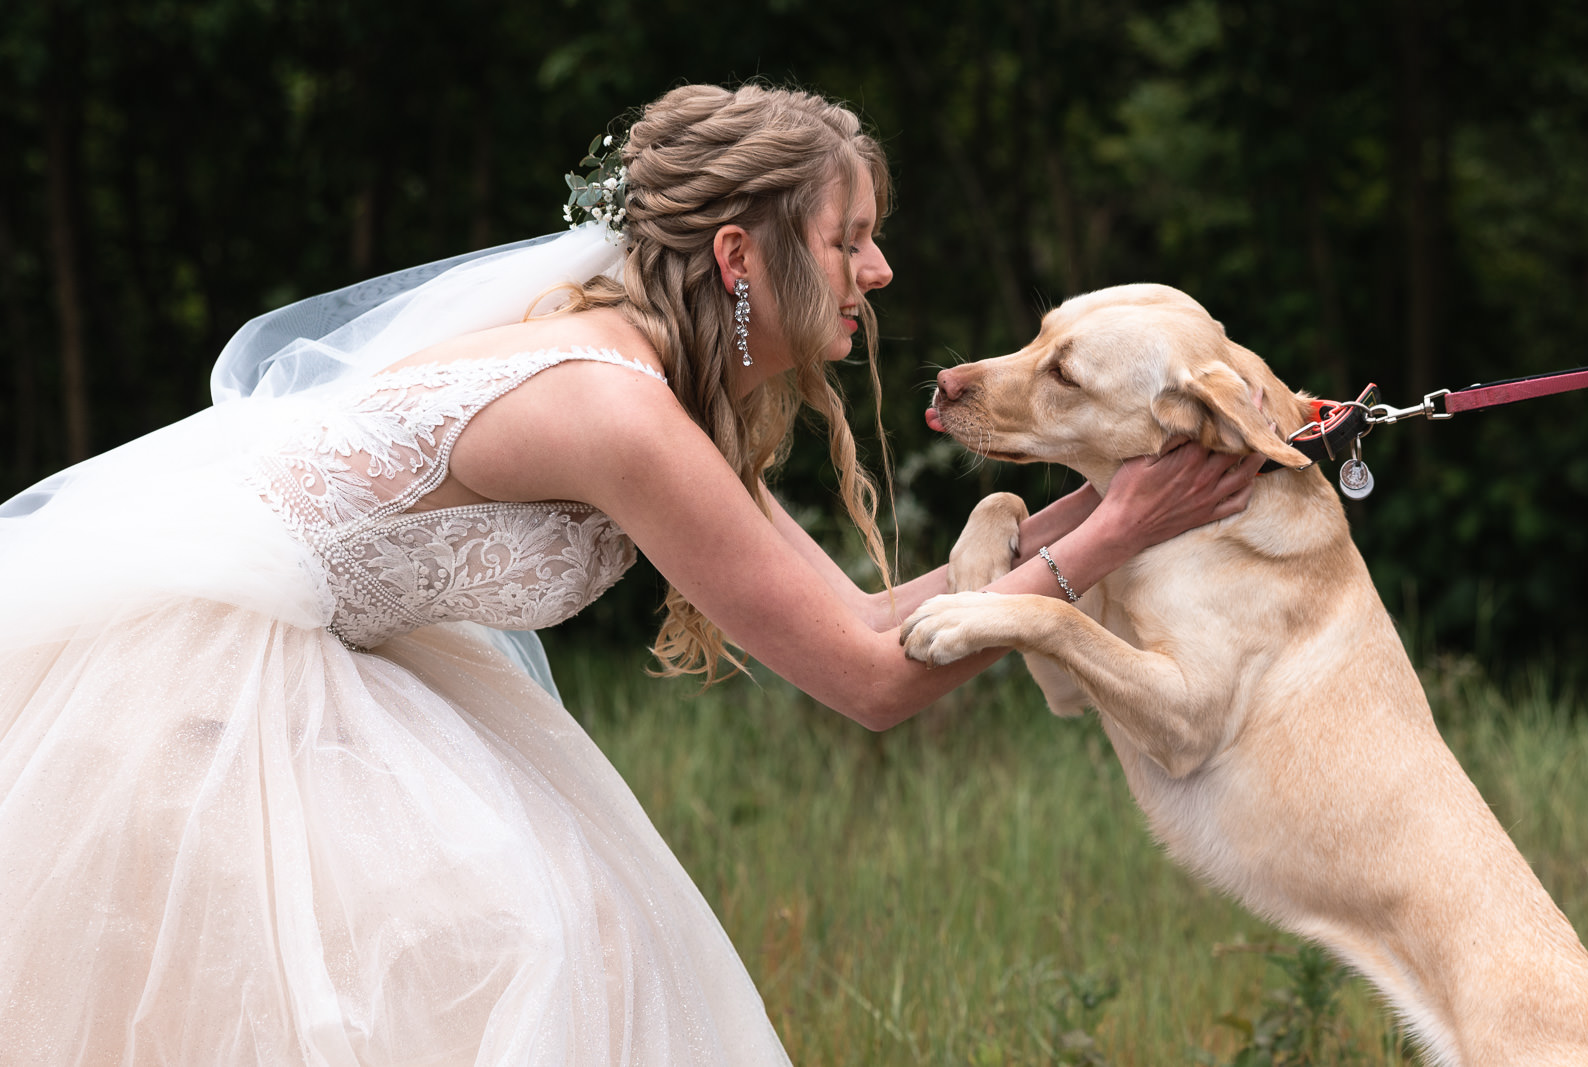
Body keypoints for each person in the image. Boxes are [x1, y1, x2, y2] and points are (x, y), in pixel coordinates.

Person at [0, 83, 1262, 1065]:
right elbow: (873, 683)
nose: (877, 273)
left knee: (550, 943)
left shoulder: (663, 388)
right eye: (848, 240)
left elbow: (866, 620)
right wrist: (1116, 536)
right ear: (736, 255)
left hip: (323, 667)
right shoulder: (616, 410)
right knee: (511, 946)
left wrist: (1102, 502)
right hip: (195, 695)